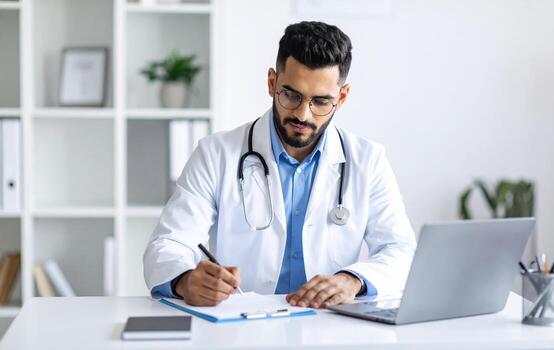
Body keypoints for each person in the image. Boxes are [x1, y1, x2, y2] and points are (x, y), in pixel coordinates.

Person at [143, 21, 416, 309]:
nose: (302, 114)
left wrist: (353, 280)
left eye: (321, 102)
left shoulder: (368, 160)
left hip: (330, 325)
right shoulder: (216, 154)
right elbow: (167, 244)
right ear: (272, 83)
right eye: (291, 95)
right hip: (240, 323)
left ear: (342, 97)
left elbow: (400, 249)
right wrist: (185, 280)